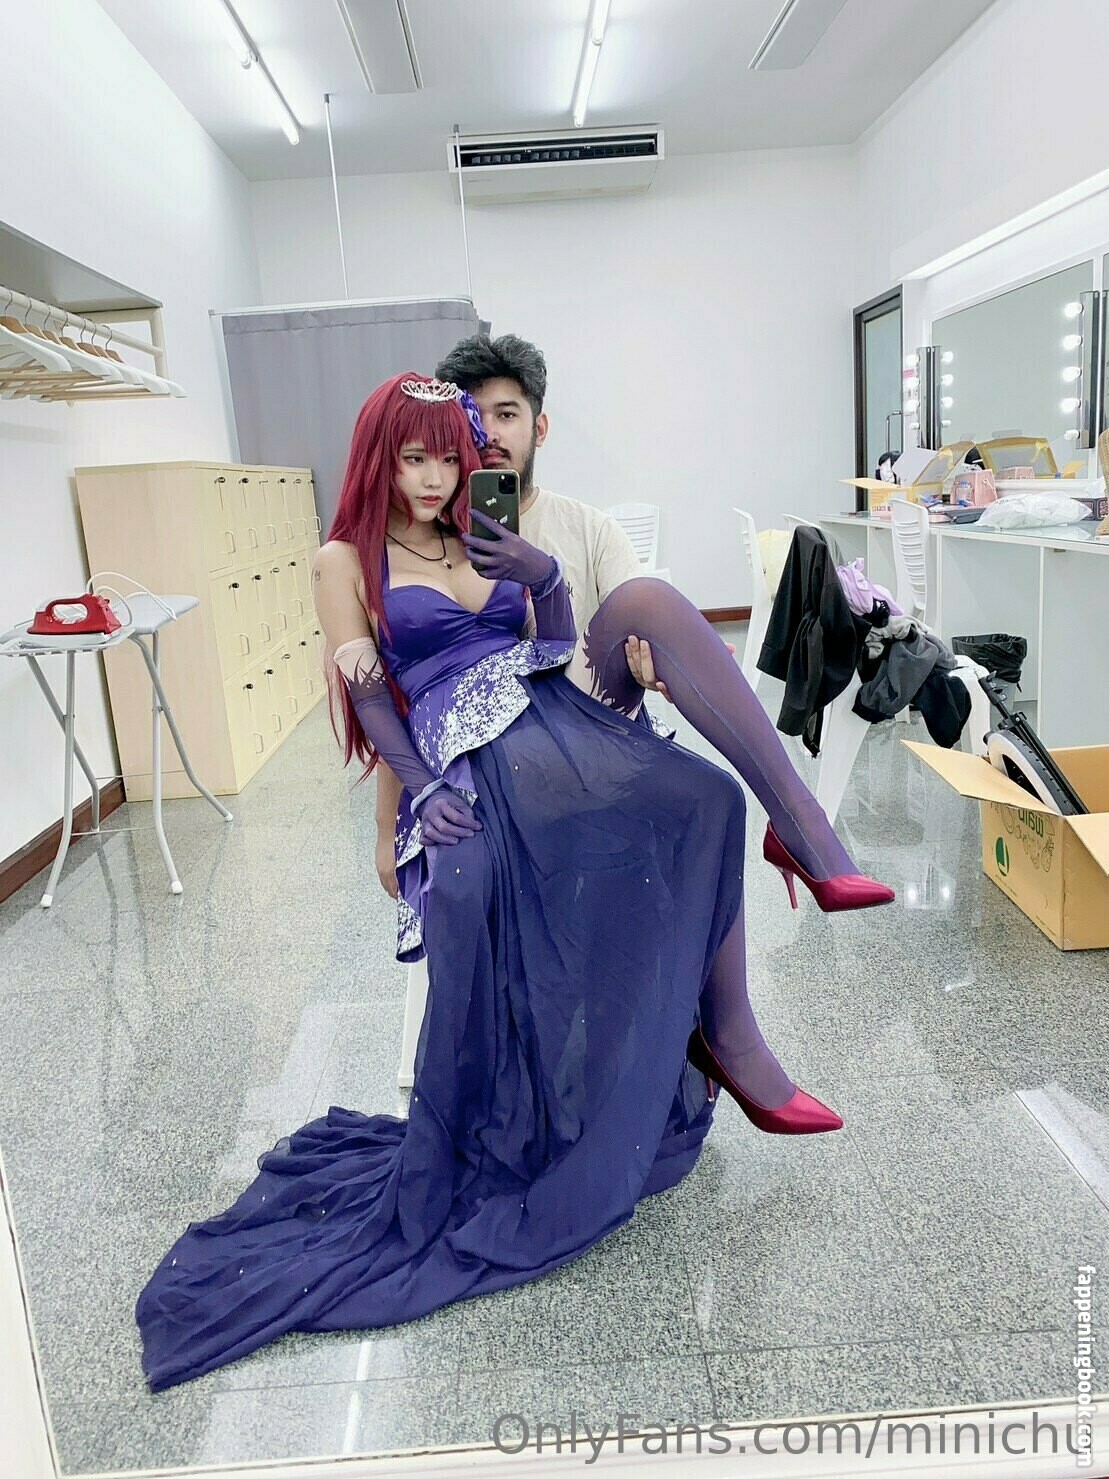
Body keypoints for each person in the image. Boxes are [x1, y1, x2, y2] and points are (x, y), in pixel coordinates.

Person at [134, 374, 893, 1393]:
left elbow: (548, 649)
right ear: (377, 458)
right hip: (455, 754)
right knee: (474, 880)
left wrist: (542, 579)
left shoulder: (481, 534)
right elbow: (370, 694)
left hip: (549, 719)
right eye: (412, 456)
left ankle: (793, 871)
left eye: (446, 456)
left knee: (699, 782)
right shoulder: (342, 560)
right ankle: (683, 1042)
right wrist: (415, 791)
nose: (431, 476)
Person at [372, 332, 662, 901]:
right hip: (495, 773)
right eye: (474, 417)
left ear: (539, 427)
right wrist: (388, 826)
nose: (489, 434)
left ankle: (792, 819)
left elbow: (633, 624)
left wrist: (655, 656)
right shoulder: (430, 546)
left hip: (595, 746)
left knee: (701, 815)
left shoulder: (590, 529)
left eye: (506, 414)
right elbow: (408, 691)